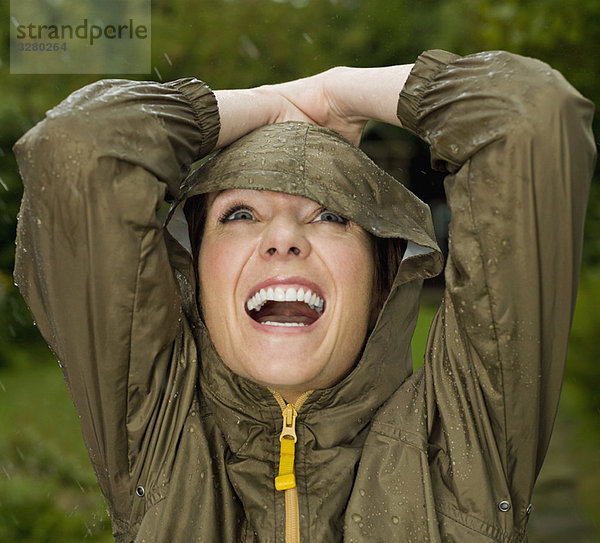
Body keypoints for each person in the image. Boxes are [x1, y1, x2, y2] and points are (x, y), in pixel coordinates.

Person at [13, 49, 595, 542]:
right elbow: (80, 149)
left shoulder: (464, 436)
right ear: (194, 267)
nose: (283, 240)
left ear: (385, 274)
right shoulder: (154, 432)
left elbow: (530, 117)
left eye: (331, 215)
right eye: (240, 214)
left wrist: (339, 92)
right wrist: (269, 102)